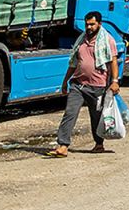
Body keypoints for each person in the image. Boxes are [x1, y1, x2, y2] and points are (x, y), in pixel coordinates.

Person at [48, 11, 120, 157]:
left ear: (99, 24)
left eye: (92, 24)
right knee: (70, 113)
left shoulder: (107, 40)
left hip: (98, 87)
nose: (89, 27)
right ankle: (63, 145)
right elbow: (74, 62)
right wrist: (65, 81)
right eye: (87, 24)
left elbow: (113, 62)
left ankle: (99, 144)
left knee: (96, 116)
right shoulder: (81, 40)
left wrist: (114, 82)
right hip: (78, 85)